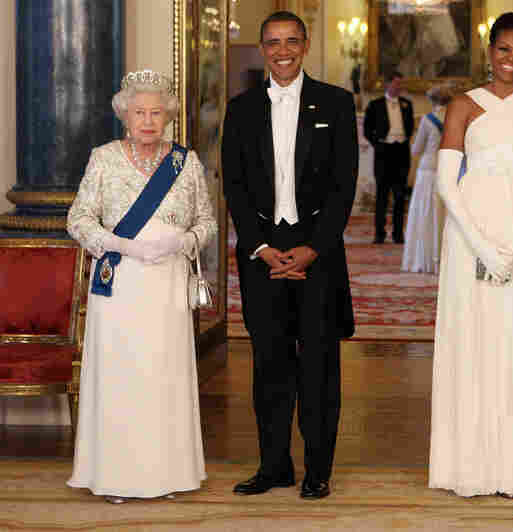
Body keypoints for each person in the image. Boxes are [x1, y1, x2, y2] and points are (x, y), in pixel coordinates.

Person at [429, 12, 513, 498]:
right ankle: (470, 467)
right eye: (503, 49)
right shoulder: (462, 105)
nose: (511, 60)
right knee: (475, 340)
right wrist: (485, 246)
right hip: (470, 238)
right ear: (489, 51)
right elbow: (447, 183)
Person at [221, 11, 358, 500]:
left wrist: (311, 249)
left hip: (317, 254)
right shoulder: (239, 110)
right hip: (261, 254)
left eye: (292, 41)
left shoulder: (337, 104)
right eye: (274, 43)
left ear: (306, 44)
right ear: (263, 48)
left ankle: (317, 470)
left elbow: (344, 187)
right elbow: (233, 187)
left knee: (319, 365)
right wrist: (260, 248)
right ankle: (274, 465)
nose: (283, 51)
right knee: (270, 364)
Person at [66, 70, 216, 503]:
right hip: (120, 282)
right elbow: (78, 219)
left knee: (161, 375)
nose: (147, 120)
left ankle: (167, 474)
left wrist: (184, 240)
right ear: (124, 116)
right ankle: (116, 476)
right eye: (138, 113)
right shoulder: (104, 157)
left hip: (166, 281)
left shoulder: (184, 163)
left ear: (167, 116)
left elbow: (205, 220)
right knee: (122, 375)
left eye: (156, 112)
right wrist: (114, 243)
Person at [401, 85, 452, 273]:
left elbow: (416, 150)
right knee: (444, 214)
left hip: (428, 169)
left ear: (432, 101)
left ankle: (424, 259)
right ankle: (443, 259)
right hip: (447, 169)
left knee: (426, 214)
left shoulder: (427, 120)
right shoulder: (454, 118)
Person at [363, 70, 414, 244]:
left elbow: (410, 126)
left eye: (401, 84)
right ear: (388, 84)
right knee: (382, 196)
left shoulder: (407, 104)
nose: (399, 87)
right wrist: (379, 144)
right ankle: (380, 233)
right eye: (396, 83)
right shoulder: (375, 104)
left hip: (401, 153)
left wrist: (403, 139)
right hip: (383, 154)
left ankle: (398, 234)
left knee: (400, 197)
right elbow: (367, 129)